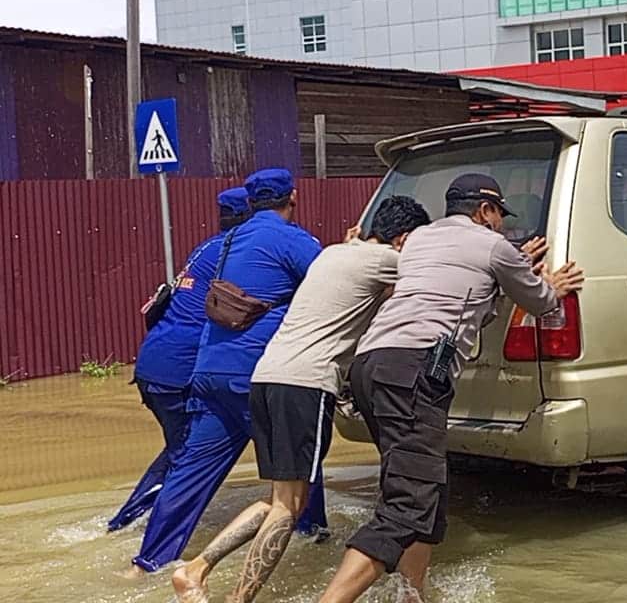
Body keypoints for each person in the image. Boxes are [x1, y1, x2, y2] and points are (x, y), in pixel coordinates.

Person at [318, 174, 585, 603]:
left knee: (426, 487)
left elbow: (459, 277)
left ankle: (412, 594)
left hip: (370, 367)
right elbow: (539, 301)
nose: (500, 225)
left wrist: (510, 261)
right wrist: (547, 284)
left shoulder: (421, 238)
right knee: (405, 506)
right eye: (498, 215)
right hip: (414, 371)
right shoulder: (494, 247)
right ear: (484, 210)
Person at [171, 196, 431, 603]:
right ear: (403, 239)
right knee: (289, 509)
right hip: (306, 385)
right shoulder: (388, 259)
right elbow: (440, 268)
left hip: (267, 377)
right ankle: (238, 599)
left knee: (277, 500)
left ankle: (195, 570)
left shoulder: (334, 254)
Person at [126, 169, 326, 577]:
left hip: (208, 372)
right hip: (257, 376)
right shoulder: (293, 239)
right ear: (294, 197)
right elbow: (329, 285)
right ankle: (312, 535)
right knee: (298, 459)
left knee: (189, 471)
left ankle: (147, 562)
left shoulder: (223, 242)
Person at [108, 188, 252, 533]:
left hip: (154, 362)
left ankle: (129, 521)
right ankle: (141, 525)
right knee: (185, 457)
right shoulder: (238, 252)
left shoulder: (204, 248)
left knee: (179, 450)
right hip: (179, 371)